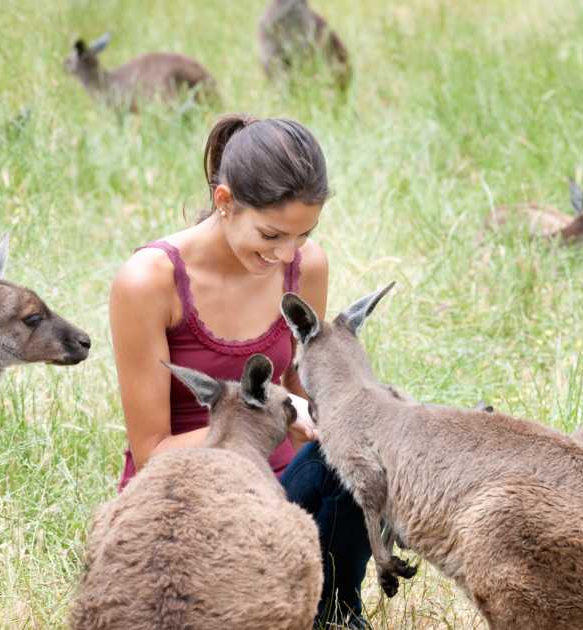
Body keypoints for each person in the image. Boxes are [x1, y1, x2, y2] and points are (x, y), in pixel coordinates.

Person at [109, 113, 372, 628]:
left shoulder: (305, 266)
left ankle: (335, 611)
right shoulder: (148, 281)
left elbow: (303, 404)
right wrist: (272, 418)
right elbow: (152, 452)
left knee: (361, 448)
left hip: (277, 495)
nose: (285, 253)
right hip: (187, 504)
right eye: (272, 234)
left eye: (303, 234)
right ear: (225, 202)